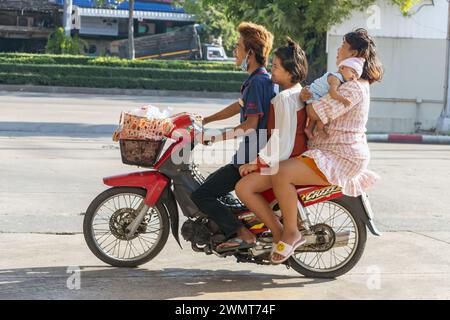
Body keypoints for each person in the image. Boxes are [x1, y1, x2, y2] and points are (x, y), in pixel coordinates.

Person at [190, 22, 275, 252]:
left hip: (250, 158)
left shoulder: (257, 83)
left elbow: (250, 124)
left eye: (238, 46)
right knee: (214, 188)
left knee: (201, 194)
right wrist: (206, 120)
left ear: (250, 52)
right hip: (252, 153)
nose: (235, 51)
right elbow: (238, 107)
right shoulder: (258, 79)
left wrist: (213, 139)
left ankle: (241, 234)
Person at [226, 38, 309, 252]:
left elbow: (282, 140)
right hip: (293, 158)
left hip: (285, 160)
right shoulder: (295, 93)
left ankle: (277, 232)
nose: (271, 71)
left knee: (243, 188)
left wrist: (256, 163)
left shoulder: (283, 99)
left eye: (275, 67)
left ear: (290, 73)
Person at [303, 57, 366, 139]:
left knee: (320, 112)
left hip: (314, 97)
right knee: (322, 112)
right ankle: (320, 129)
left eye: (356, 76)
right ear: (342, 67)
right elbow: (332, 93)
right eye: (353, 71)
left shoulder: (340, 79)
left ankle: (309, 128)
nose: (354, 76)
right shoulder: (336, 78)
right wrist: (343, 100)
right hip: (313, 95)